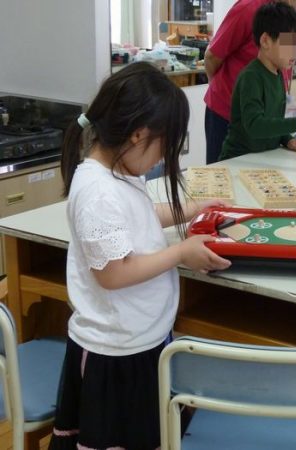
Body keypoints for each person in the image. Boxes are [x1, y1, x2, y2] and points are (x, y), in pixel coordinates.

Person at [49, 62, 231, 450]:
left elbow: (140, 217)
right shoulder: (97, 191)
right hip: (114, 354)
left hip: (139, 340)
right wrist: (180, 252)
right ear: (138, 134)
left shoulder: (119, 174)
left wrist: (193, 209)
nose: (163, 159)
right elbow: (114, 273)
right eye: (165, 147)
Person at [204, 0, 296, 164]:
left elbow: (274, 116)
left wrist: (287, 139)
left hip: (258, 156)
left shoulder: (277, 73)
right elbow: (255, 125)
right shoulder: (251, 76)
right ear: (265, 41)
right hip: (235, 151)